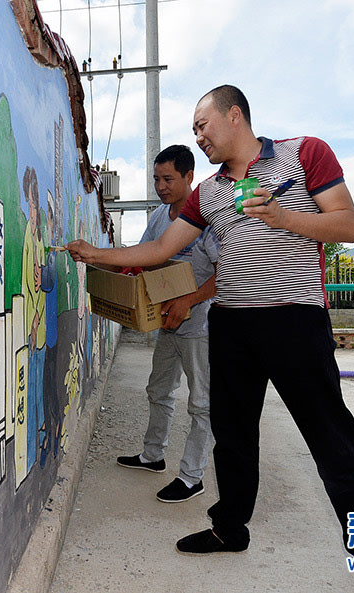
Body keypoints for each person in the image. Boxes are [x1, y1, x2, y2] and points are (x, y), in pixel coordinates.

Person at [67, 85, 354, 593]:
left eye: (203, 125)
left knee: (333, 441)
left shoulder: (304, 153)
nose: (198, 137)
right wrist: (96, 254)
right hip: (230, 323)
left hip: (294, 319)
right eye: (194, 131)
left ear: (234, 115)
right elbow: (161, 248)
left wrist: (283, 216)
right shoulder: (208, 192)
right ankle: (230, 528)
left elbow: (350, 226)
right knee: (234, 435)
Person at [115, 145, 219, 503]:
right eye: (156, 179)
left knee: (201, 404)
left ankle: (192, 477)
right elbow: (143, 257)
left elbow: (227, 275)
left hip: (201, 328)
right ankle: (152, 455)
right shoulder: (160, 217)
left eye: (168, 179)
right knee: (158, 390)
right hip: (167, 324)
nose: (160, 186)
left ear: (190, 177)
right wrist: (107, 263)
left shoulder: (207, 220)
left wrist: (189, 300)